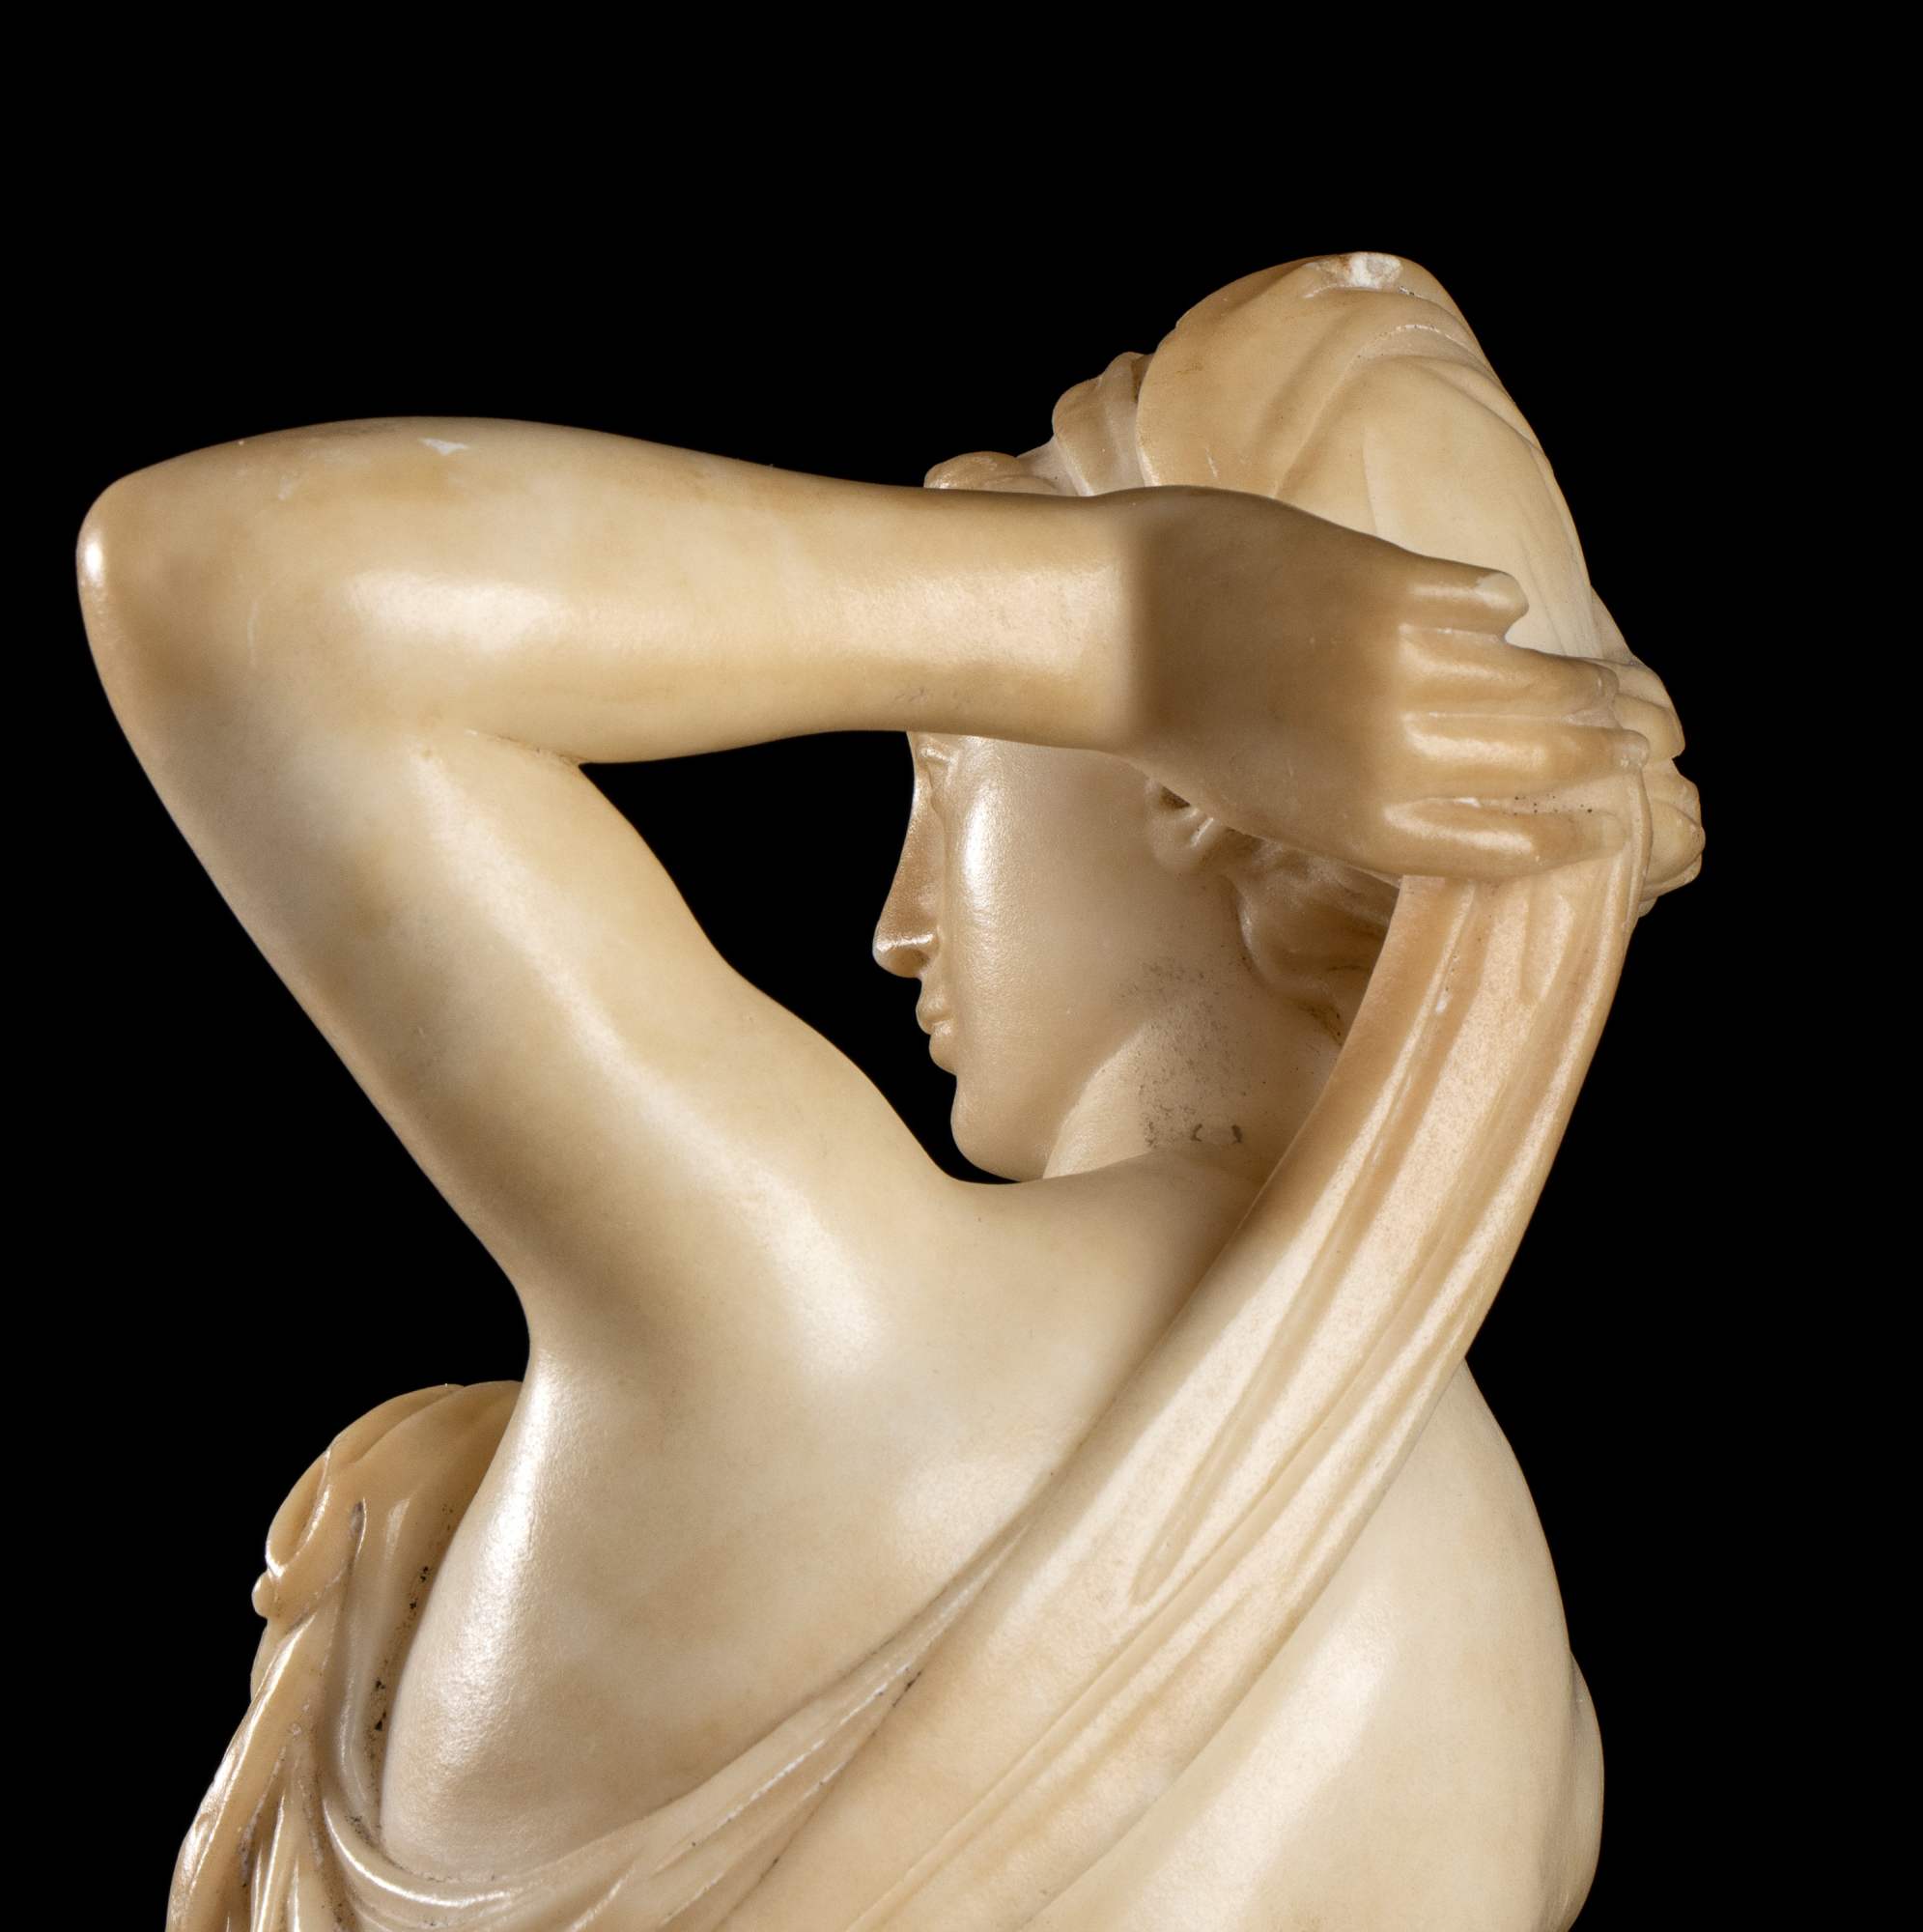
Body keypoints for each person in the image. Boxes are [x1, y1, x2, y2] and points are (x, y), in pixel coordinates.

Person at [80, 252, 1699, 1931]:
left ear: (1192, 787)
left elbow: (232, 580)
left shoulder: (846, 1332)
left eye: (951, 758)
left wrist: (1117, 621)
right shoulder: (1529, 1703)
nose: (899, 920)